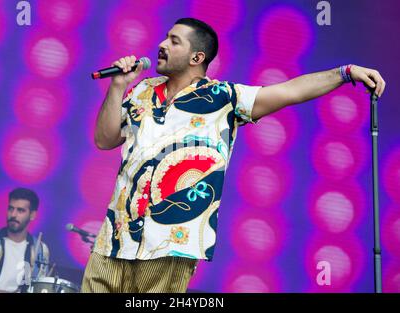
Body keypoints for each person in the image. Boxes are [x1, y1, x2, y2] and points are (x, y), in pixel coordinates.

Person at [81, 17, 386, 293]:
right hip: (115, 233)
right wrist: (118, 86)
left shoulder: (223, 97)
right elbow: (104, 139)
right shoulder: (142, 90)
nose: (161, 44)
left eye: (174, 41)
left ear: (196, 57)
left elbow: (290, 91)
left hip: (171, 242)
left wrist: (345, 73)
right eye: (165, 37)